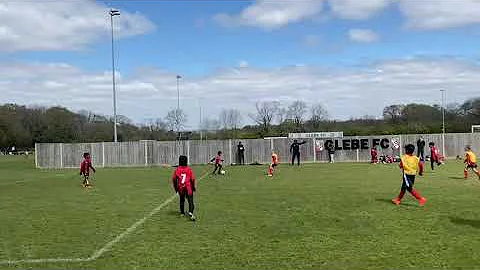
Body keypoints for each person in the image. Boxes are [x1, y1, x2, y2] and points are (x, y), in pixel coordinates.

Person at [172, 155, 196, 221]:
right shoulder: (189, 169)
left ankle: (182, 213)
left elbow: (174, 179)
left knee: (182, 200)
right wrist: (193, 187)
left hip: (181, 187)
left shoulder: (177, 170)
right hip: (188, 187)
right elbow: (193, 179)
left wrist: (176, 188)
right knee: (190, 201)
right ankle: (191, 212)